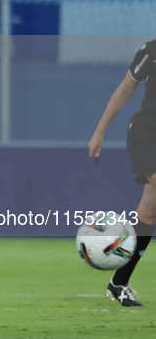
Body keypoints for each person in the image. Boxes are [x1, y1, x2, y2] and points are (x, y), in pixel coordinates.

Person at [89, 40, 156, 307]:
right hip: (145, 137)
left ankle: (119, 283)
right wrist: (99, 131)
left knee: (148, 214)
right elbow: (126, 88)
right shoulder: (150, 50)